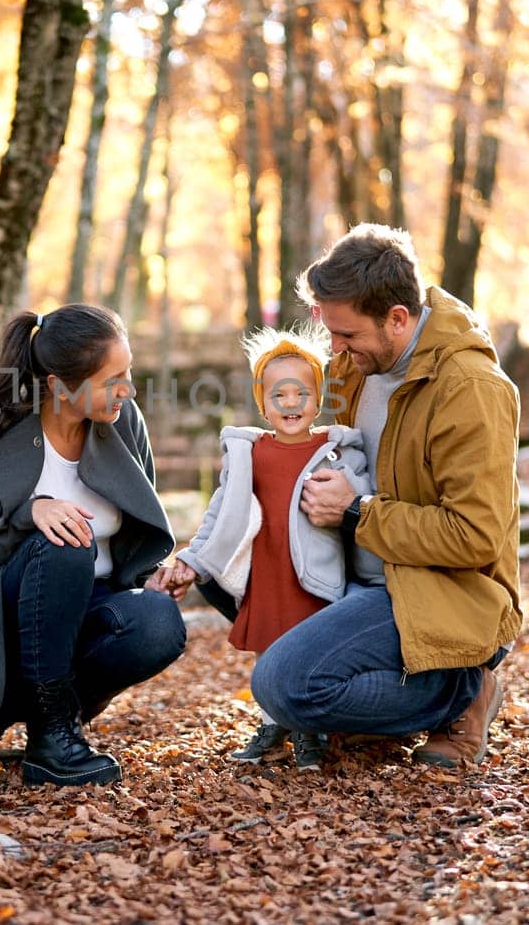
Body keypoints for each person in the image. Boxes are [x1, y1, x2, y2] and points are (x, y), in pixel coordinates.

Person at [246, 224, 522, 770]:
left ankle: (465, 687)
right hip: (362, 581)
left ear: (397, 317)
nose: (333, 350)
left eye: (345, 334)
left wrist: (355, 511)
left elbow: (475, 537)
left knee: (284, 686)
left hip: (440, 592)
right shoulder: (361, 363)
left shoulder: (469, 389)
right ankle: (389, 700)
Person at [0, 304, 187, 787]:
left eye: (127, 372)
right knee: (68, 543)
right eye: (112, 378)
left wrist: (151, 575)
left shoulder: (124, 422)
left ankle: (59, 717)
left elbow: (136, 530)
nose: (127, 389)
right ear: (60, 385)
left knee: (159, 624)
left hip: (89, 607)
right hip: (7, 623)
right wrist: (31, 513)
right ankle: (50, 736)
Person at [155, 327, 382, 772]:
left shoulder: (336, 452)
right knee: (269, 647)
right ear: (262, 402)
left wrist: (352, 489)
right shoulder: (250, 453)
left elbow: (360, 498)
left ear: (319, 398)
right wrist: (193, 558)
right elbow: (221, 511)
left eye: (302, 393)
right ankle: (273, 725)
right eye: (279, 394)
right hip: (267, 568)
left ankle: (309, 731)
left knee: (307, 646)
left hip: (314, 574)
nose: (291, 403)